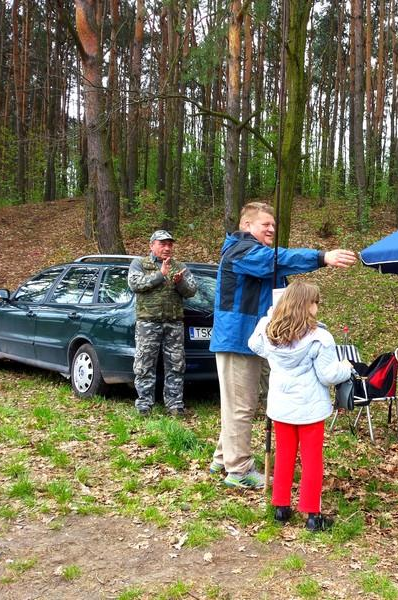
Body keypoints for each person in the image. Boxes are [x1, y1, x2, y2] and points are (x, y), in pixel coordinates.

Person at [209, 202, 355, 489]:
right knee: (241, 406)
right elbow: (276, 260)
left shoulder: (254, 252)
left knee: (240, 402)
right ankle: (238, 471)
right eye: (265, 225)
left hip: (254, 341)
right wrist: (322, 257)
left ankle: (223, 456)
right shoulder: (242, 250)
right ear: (247, 225)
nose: (272, 229)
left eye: (273, 225)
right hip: (238, 340)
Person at [248, 281, 352, 531]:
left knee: (284, 455)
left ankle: (281, 507)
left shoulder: (269, 331)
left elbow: (254, 346)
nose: (318, 306)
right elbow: (327, 375)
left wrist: (269, 317)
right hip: (310, 408)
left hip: (281, 405)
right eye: (315, 302)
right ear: (306, 305)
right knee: (312, 459)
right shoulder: (320, 338)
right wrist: (346, 367)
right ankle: (312, 515)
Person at [128, 229, 198, 417]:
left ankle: (174, 405)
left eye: (169, 244)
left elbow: (191, 290)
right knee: (144, 364)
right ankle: (144, 405)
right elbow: (135, 284)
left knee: (176, 365)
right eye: (162, 244)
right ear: (152, 246)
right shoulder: (140, 264)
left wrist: (179, 282)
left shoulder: (179, 266)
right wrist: (160, 274)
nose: (167, 248)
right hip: (148, 323)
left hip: (173, 324)